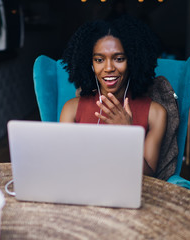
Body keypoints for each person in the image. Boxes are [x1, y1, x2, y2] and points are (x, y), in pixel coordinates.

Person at [59, 15, 168, 178]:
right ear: (91, 64)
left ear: (133, 61)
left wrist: (128, 135)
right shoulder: (71, 109)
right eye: (99, 59)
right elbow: (63, 166)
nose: (108, 68)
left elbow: (149, 179)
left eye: (119, 59)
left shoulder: (156, 113)